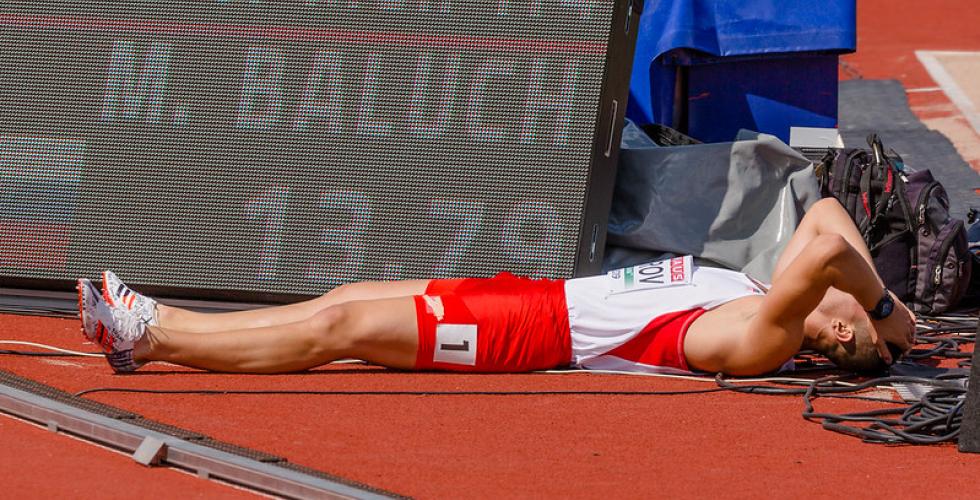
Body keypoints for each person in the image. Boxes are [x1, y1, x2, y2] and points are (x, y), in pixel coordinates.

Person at [78, 198, 916, 376]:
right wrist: (890, 321)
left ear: (836, 332)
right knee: (345, 296)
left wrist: (890, 317)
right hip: (531, 297)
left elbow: (825, 259)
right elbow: (828, 214)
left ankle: (152, 333)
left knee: (345, 331)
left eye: (857, 313)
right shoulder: (764, 290)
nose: (861, 282)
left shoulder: (763, 335)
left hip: (531, 336)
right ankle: (150, 335)